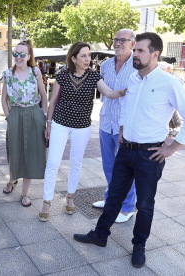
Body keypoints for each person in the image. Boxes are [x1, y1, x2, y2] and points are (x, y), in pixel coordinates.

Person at [73, 32, 185, 268]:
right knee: (113, 197)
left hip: (149, 155)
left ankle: (139, 246)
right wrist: (121, 130)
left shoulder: (169, 82)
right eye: (136, 49)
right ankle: (100, 235)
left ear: (155, 54)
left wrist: (172, 147)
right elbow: (125, 107)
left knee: (145, 205)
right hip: (126, 149)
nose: (136, 54)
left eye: (141, 51)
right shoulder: (133, 79)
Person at [39, 42, 126, 222]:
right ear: (73, 58)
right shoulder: (63, 74)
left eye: (89, 55)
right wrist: (48, 123)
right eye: (83, 56)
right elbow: (53, 101)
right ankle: (46, 201)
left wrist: (127, 91)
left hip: (82, 127)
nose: (88, 59)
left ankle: (70, 197)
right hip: (60, 123)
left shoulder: (94, 77)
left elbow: (109, 93)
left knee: (76, 162)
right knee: (53, 162)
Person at [92, 29, 137, 223]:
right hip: (106, 122)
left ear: (132, 44)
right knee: (109, 166)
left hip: (126, 126)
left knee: (127, 169)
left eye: (122, 40)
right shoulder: (105, 65)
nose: (117, 43)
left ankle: (127, 208)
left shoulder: (138, 65)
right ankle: (112, 199)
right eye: (115, 39)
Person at [1, 40, 48, 207]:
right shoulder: (7, 74)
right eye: (15, 53)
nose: (18, 57)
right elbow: (4, 98)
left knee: (31, 153)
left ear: (29, 56)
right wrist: (9, 117)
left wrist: (43, 116)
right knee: (15, 151)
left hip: (34, 113)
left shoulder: (35, 72)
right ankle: (12, 180)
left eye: (22, 54)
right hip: (16, 113)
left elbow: (43, 95)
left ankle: (25, 193)